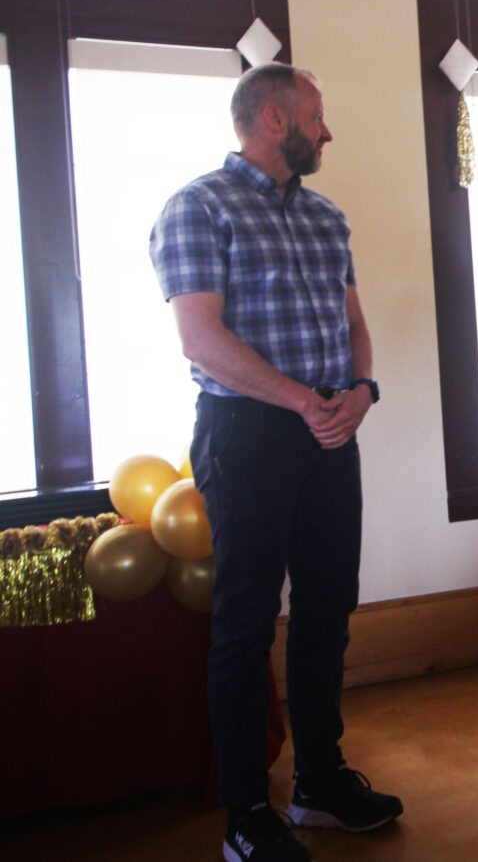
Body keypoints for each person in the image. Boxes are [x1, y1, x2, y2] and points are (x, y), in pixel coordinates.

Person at [150, 63, 402, 862]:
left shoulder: (328, 217)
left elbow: (354, 322)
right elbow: (201, 340)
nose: (326, 132)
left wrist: (362, 389)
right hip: (248, 434)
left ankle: (320, 783)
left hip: (333, 429)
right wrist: (301, 400)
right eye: (316, 117)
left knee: (329, 605)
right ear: (272, 118)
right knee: (247, 619)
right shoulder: (197, 207)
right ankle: (246, 814)